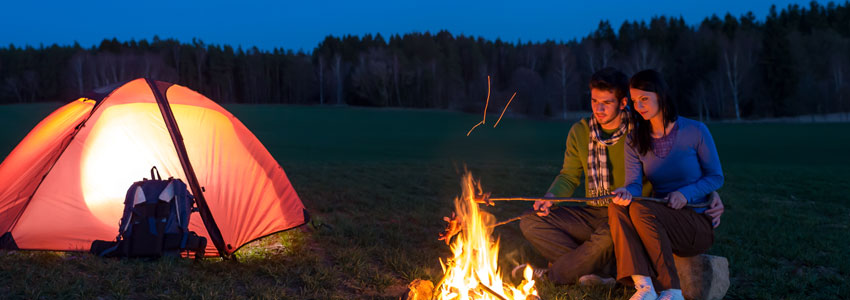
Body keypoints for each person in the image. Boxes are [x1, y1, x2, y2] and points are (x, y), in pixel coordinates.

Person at [518, 67, 726, 286]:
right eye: (594, 100)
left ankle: (557, 274)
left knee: (608, 235)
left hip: (628, 214)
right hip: (593, 210)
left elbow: (674, 169)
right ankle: (602, 271)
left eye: (607, 102)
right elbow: (569, 176)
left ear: (623, 103)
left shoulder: (642, 131)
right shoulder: (580, 132)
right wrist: (550, 197)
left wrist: (710, 194)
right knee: (530, 221)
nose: (599, 108)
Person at [609, 69, 724, 300]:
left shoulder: (695, 131)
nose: (639, 106)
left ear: (660, 95)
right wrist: (625, 192)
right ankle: (645, 288)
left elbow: (715, 177)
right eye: (634, 101)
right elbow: (633, 185)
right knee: (616, 206)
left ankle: (672, 291)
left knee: (641, 209)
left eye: (644, 99)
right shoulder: (634, 140)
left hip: (695, 221)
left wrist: (686, 193)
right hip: (659, 221)